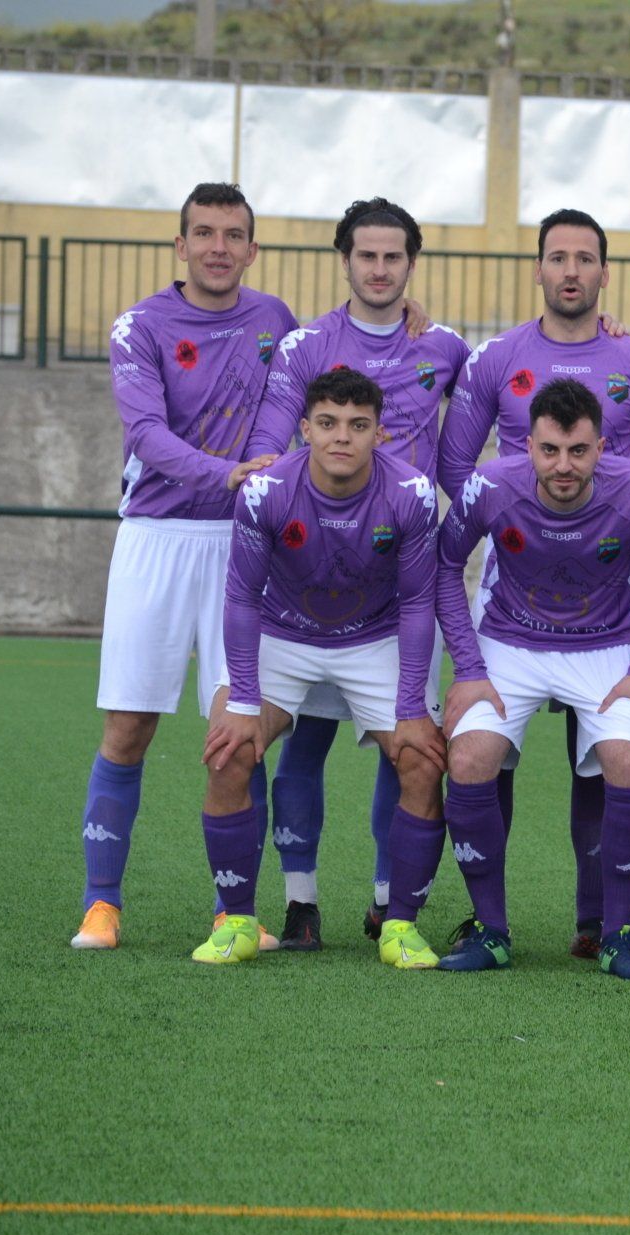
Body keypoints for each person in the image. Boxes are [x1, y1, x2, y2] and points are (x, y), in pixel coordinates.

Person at [437, 208, 630, 962]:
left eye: (585, 258)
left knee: (614, 758)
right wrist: (520, 503)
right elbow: (456, 471)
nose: (571, 270)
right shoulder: (497, 358)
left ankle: (604, 927)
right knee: (479, 754)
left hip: (609, 610)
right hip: (511, 602)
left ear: (603, 272)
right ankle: (492, 927)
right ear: (539, 268)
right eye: (557, 257)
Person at [71, 182, 297, 952]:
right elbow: (144, 434)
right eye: (203, 233)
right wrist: (225, 472)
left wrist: (410, 322)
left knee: (239, 736)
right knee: (129, 725)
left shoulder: (275, 322)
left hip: (244, 543)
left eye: (233, 235)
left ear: (252, 249)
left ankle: (234, 913)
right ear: (180, 244)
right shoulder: (140, 326)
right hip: (157, 540)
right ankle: (102, 903)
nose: (218, 248)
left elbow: (292, 402)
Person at [245, 197, 469, 950]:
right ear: (345, 259)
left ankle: (386, 902)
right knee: (303, 745)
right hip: (310, 580)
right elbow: (274, 441)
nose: (380, 269)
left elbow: (505, 403)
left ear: (412, 262)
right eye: (366, 255)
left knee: (401, 741)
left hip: (401, 580)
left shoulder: (445, 347)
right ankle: (300, 904)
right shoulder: (307, 346)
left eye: (394, 256)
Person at [196, 369, 445, 966]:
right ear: (304, 429)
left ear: (379, 434)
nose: (342, 438)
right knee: (228, 748)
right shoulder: (264, 491)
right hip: (284, 634)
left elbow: (418, 604)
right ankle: (237, 921)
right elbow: (241, 600)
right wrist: (247, 703)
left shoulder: (411, 495)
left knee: (422, 759)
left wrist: (412, 707)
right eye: (328, 424)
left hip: (374, 638)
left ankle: (401, 926)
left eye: (358, 426)